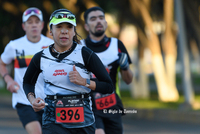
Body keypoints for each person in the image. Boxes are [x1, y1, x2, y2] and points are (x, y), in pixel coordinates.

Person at [22, 8, 114, 134]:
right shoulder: (41, 57)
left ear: (74, 31)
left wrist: (85, 82)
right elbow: (27, 82)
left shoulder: (85, 54)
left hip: (84, 122)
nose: (64, 31)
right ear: (50, 30)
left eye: (69, 27)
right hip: (52, 121)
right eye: (59, 26)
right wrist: (33, 100)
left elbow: (108, 86)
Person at [0, 7, 54, 134]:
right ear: (24, 26)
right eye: (30, 22)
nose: (34, 25)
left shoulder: (52, 46)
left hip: (49, 101)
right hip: (23, 100)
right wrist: (8, 80)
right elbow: (2, 63)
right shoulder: (14, 46)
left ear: (42, 25)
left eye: (37, 21)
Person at [81, 6, 133, 134]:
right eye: (93, 19)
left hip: (112, 105)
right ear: (86, 26)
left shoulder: (117, 45)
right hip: (89, 106)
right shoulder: (80, 47)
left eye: (101, 18)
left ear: (105, 23)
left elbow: (128, 80)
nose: (98, 21)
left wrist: (125, 67)